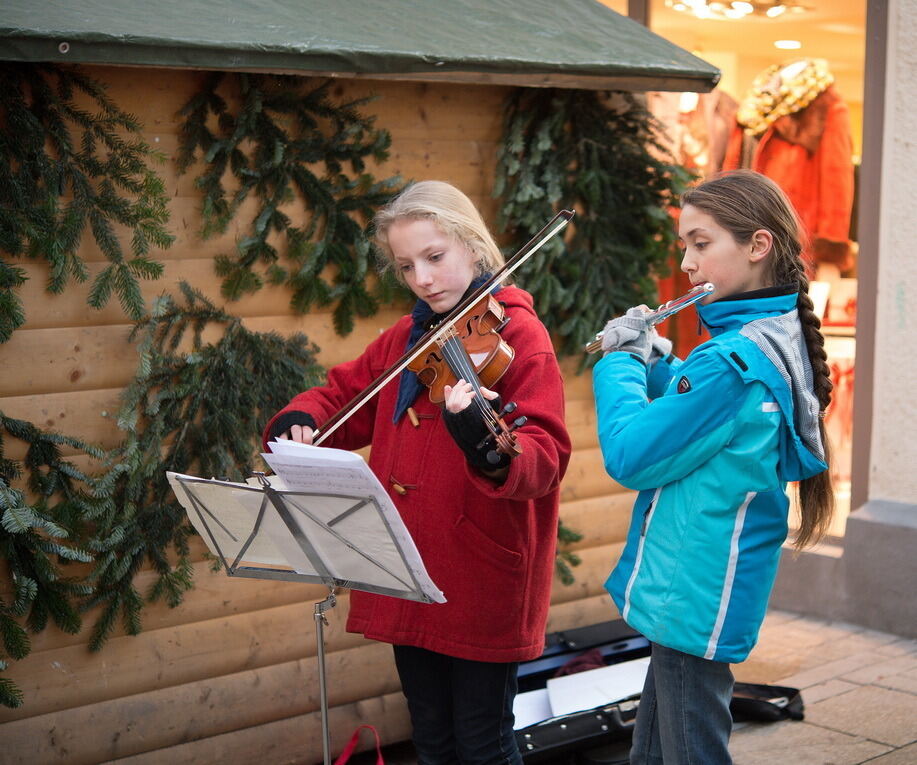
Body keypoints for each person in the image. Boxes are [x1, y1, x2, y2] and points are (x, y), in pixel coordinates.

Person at [262, 180, 571, 764]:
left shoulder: (520, 337)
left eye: (435, 257)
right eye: (407, 266)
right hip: (409, 567)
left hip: (480, 570)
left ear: (472, 246)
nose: (423, 279)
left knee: (483, 743)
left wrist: (488, 445)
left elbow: (546, 456)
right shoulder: (407, 340)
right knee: (431, 736)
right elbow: (342, 395)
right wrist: (304, 417)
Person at [593, 170, 834, 764]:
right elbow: (706, 419)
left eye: (701, 243)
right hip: (707, 580)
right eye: (685, 245)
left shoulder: (730, 360)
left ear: (758, 246)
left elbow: (630, 454)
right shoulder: (769, 336)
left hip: (692, 587)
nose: (687, 263)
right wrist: (659, 360)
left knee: (690, 752)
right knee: (653, 752)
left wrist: (620, 362)